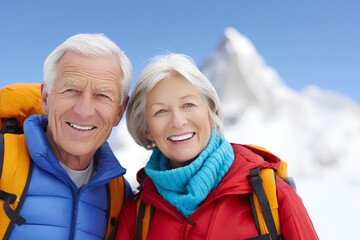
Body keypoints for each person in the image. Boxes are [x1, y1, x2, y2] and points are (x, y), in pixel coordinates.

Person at [115, 53, 319, 239]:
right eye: (160, 111)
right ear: (147, 128)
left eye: (188, 105)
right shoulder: (137, 213)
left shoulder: (270, 193)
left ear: (210, 113)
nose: (177, 121)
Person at [1, 34, 133, 239]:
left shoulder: (119, 194)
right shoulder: (4, 159)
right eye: (71, 90)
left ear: (119, 111)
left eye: (103, 95)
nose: (84, 110)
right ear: (46, 98)